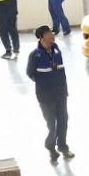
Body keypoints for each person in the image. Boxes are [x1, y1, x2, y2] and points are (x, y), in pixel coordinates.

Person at [26, 25, 72, 164]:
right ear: (41, 37)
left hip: (60, 93)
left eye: (51, 33)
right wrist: (44, 84)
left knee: (63, 120)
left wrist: (64, 89)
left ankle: (63, 146)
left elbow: (61, 71)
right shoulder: (35, 55)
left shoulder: (56, 50)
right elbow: (30, 73)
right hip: (46, 96)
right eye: (48, 33)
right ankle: (51, 148)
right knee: (51, 123)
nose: (51, 35)